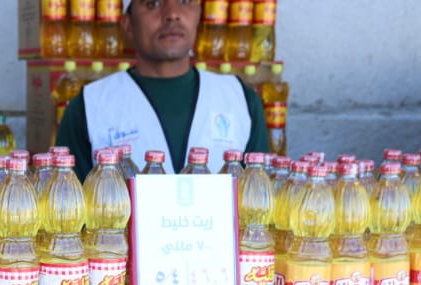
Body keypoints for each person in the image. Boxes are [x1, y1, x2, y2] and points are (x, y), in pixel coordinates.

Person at [55, 0, 271, 179]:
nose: (172, 14)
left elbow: (259, 203)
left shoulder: (241, 100)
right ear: (128, 24)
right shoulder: (89, 107)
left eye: (185, 1)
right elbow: (68, 207)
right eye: (154, 3)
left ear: (200, 15)